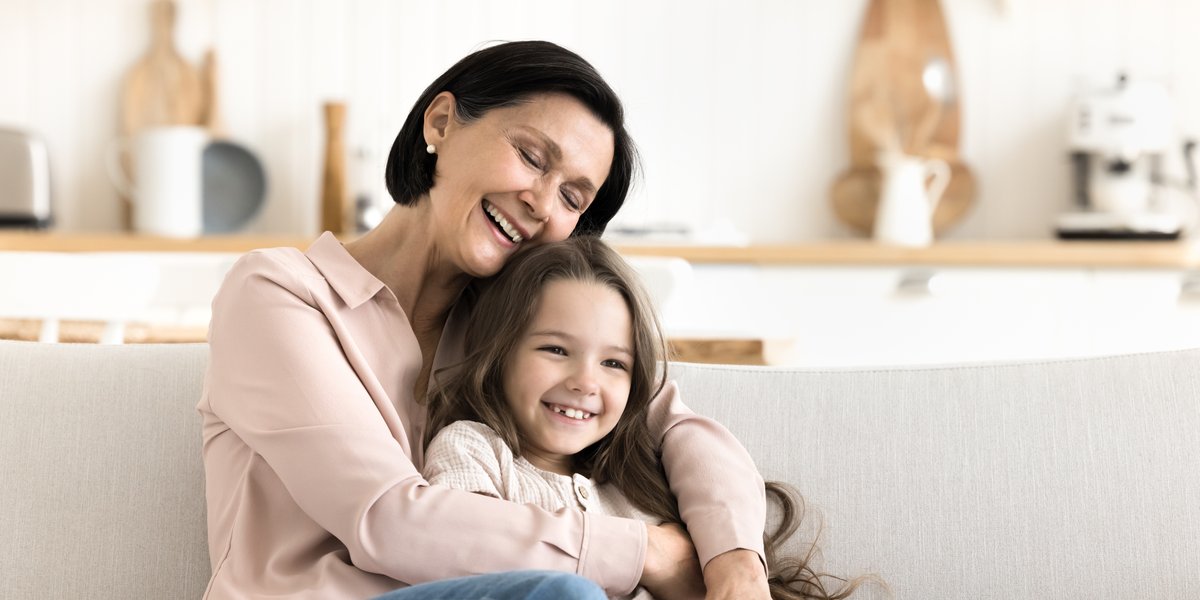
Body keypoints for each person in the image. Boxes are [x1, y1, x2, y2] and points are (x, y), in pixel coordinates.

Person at [199, 40, 771, 600]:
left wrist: (738, 564)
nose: (542, 204)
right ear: (441, 124)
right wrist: (645, 552)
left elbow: (674, 425)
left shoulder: (518, 328)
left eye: (573, 198)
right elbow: (384, 520)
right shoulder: (278, 295)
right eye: (532, 158)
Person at [423, 237, 874, 600]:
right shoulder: (472, 449)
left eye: (613, 363)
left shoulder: (635, 479)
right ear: (500, 353)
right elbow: (465, 555)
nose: (586, 382)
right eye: (556, 350)